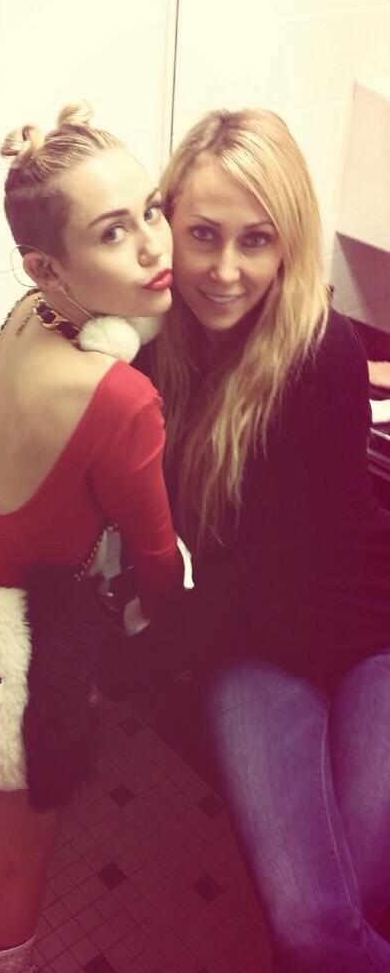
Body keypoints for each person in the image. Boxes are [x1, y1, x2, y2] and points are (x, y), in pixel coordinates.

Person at [0, 103, 184, 973]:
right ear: (47, 267)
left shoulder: (27, 314)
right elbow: (156, 558)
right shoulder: (121, 399)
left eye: (152, 210)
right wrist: (169, 624)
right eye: (114, 232)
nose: (154, 246)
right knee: (28, 847)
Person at [147, 108, 390, 973]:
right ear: (165, 225)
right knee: (314, 925)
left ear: (288, 244)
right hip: (253, 650)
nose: (225, 271)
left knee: (333, 913)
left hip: (367, 633)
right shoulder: (148, 353)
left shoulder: (321, 356)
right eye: (203, 235)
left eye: (256, 240)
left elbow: (288, 571)